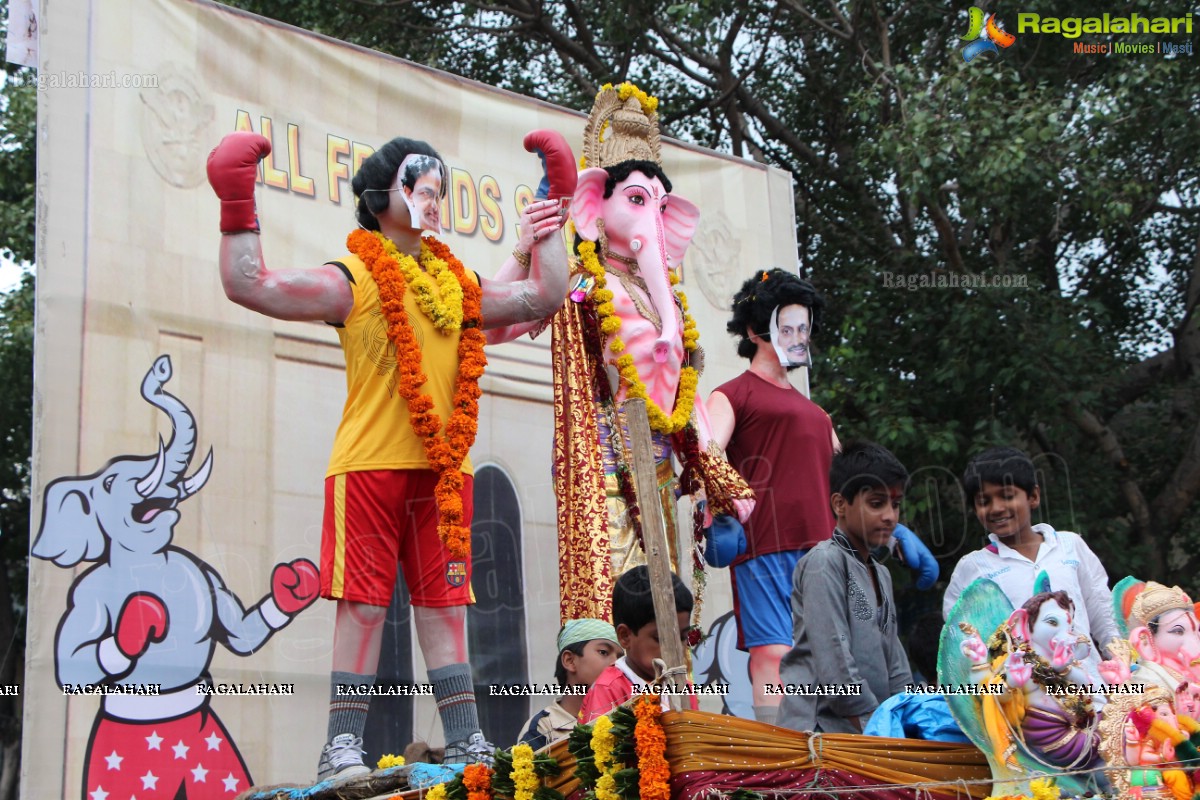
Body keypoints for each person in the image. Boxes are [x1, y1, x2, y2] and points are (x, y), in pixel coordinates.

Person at [206, 129, 575, 780]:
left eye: (439, 191)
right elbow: (251, 284)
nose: (434, 201)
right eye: (421, 189)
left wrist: (553, 210)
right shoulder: (355, 276)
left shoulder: (454, 288)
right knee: (364, 606)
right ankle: (340, 745)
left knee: (444, 607)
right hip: (369, 464)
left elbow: (539, 297)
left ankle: (466, 740)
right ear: (382, 198)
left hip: (444, 473)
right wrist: (238, 200)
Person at [707, 269, 937, 725]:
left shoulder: (818, 415)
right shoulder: (731, 395)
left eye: (804, 328)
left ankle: (848, 756)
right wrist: (715, 509)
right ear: (756, 331)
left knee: (842, 653)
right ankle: (781, 760)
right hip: (765, 547)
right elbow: (706, 456)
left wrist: (891, 529)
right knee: (774, 652)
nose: (799, 338)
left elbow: (850, 481)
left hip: (829, 554)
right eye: (787, 327)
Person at [777, 442, 914, 734]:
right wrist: (878, 732)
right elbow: (836, 666)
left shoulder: (881, 573)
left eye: (896, 504)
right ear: (840, 504)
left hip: (870, 732)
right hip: (818, 735)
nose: (890, 515)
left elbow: (896, 665)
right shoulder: (824, 562)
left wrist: (910, 715)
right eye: (877, 504)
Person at [943, 446, 1119, 665]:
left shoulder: (1069, 546)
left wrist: (1125, 667)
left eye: (1007, 496)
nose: (996, 508)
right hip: (1020, 693)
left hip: (1089, 688)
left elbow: (1102, 611)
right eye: (984, 501)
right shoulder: (973, 567)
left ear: (1033, 496)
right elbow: (959, 638)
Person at [579, 565, 694, 723]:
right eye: (661, 639)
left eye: (683, 637)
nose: (677, 648)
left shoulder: (683, 686)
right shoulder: (608, 689)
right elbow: (602, 745)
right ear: (625, 636)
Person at [517, 618, 620, 749]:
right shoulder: (542, 728)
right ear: (570, 660)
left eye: (620, 657)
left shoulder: (624, 717)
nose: (616, 663)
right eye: (604, 652)